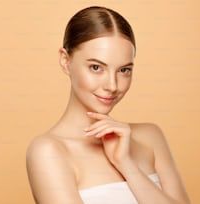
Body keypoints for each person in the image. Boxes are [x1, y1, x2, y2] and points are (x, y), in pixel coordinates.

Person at [26, 6, 191, 204]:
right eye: (96, 67)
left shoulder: (150, 137)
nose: (112, 86)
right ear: (65, 60)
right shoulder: (48, 151)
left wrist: (127, 165)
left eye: (124, 70)